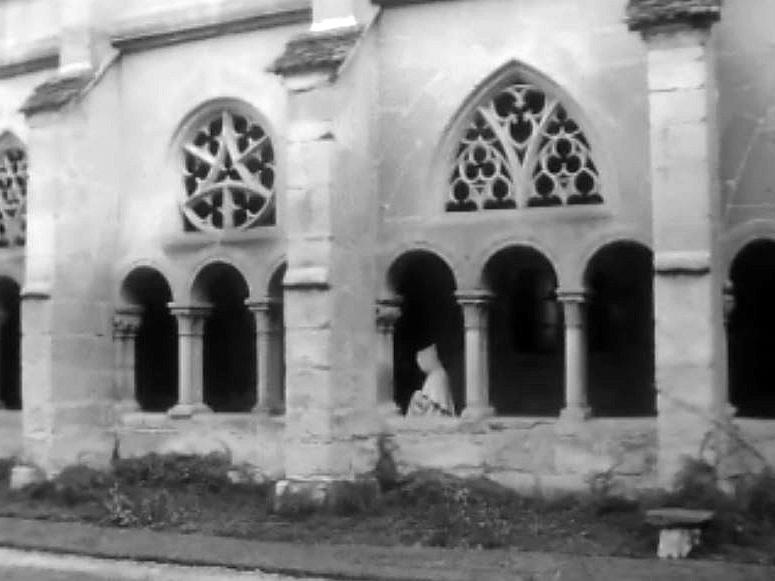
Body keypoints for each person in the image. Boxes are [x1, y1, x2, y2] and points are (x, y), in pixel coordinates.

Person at [407, 343, 454, 416]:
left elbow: (436, 402)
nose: (421, 366)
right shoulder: (433, 375)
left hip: (436, 416)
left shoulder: (438, 375)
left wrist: (418, 398)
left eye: (422, 362)